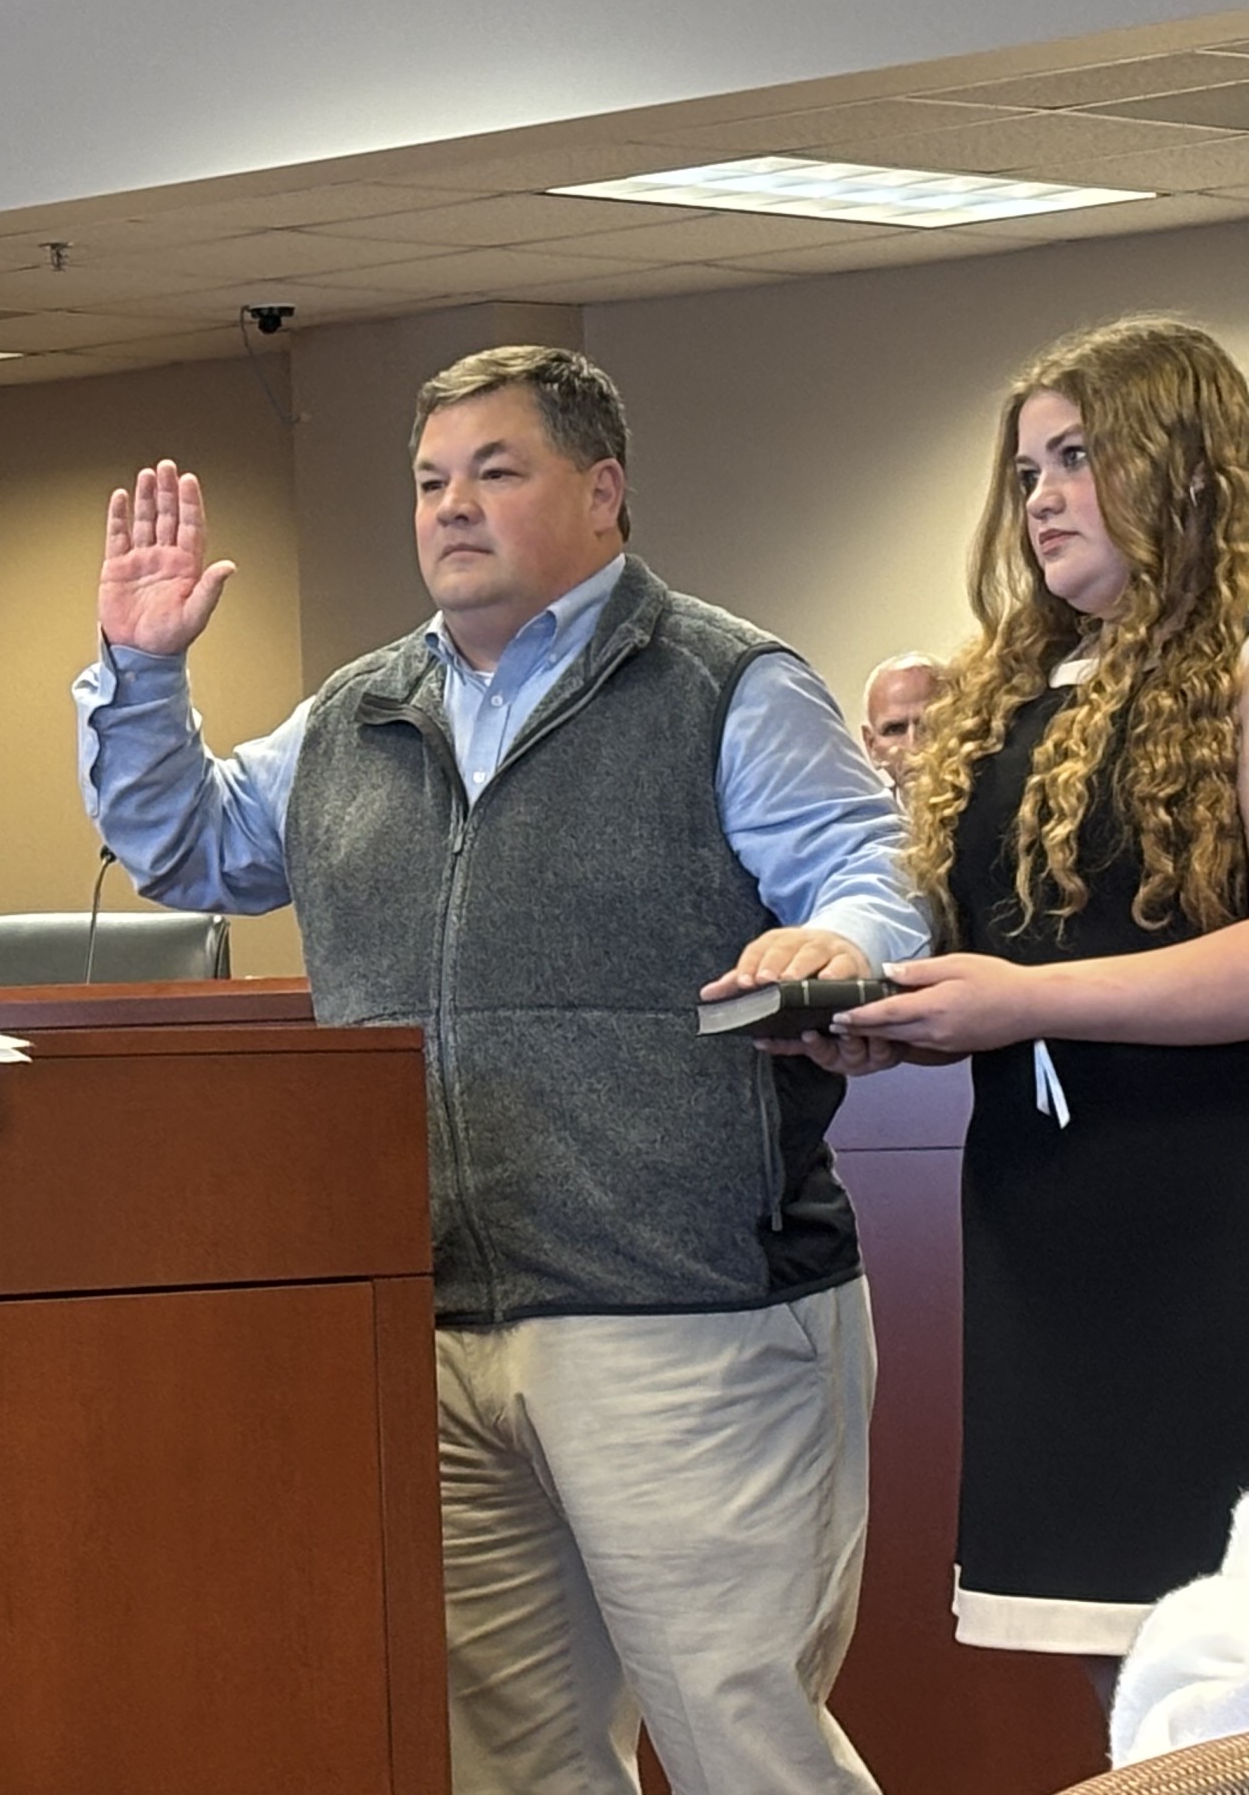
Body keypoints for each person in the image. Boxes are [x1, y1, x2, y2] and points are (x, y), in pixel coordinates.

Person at [76, 345, 922, 1795]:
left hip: (684, 1310)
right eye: (428, 480)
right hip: (439, 1311)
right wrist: (144, 676)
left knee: (746, 1748)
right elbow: (191, 846)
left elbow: (873, 865)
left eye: (495, 471)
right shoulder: (358, 712)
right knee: (509, 1767)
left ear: (602, 493)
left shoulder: (722, 682)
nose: (451, 507)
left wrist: (827, 941)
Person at [836, 316, 1249, 1701]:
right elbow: (1001, 950)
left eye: (1080, 458)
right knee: (1120, 1678)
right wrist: (878, 1009)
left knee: (1216, 1675)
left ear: (1186, 467)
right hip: (1050, 1228)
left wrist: (1028, 1002)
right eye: (1027, 473)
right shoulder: (1018, 693)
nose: (1046, 499)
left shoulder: (1240, 677)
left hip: (1215, 1227)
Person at [859, 651, 947, 798]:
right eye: (894, 730)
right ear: (871, 746)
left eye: (929, 725)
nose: (913, 746)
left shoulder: (996, 807)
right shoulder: (864, 818)